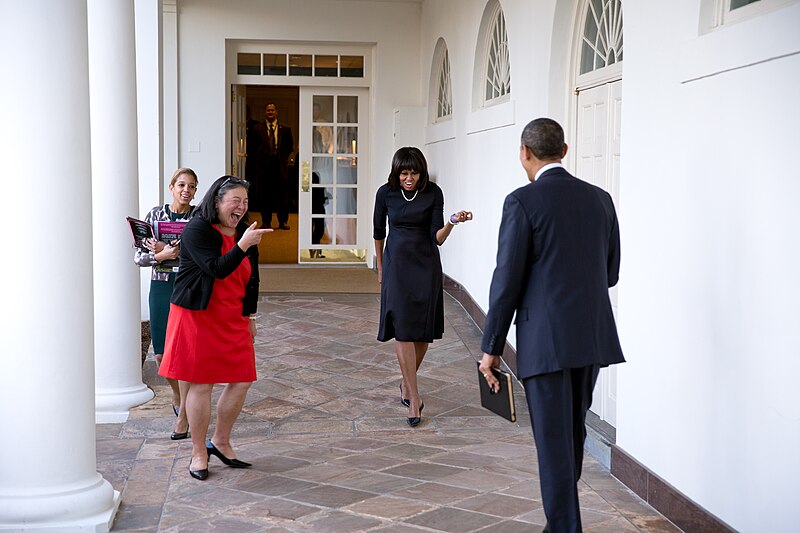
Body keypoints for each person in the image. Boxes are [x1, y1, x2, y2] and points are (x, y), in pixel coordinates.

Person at [479, 118, 625, 533]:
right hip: (592, 337)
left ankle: (563, 528)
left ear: (524, 153)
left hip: (546, 342)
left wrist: (490, 349)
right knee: (571, 436)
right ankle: (560, 523)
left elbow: (506, 282)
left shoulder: (521, 202)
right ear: (564, 150)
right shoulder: (601, 199)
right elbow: (610, 272)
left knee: (554, 442)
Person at [158, 176, 272, 480]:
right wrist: (244, 244)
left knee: (243, 378)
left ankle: (220, 441)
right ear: (217, 201)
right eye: (235, 200)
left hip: (232, 315)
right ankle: (198, 453)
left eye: (245, 201)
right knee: (201, 384)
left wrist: (251, 317)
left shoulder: (243, 230)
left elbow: (253, 279)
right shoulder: (197, 229)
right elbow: (216, 269)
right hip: (198, 315)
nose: (241, 206)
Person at [373, 147, 472, 426]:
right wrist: (381, 268)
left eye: (414, 172)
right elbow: (378, 233)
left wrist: (452, 222)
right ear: (396, 172)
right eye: (404, 172)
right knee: (402, 328)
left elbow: (437, 237)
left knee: (422, 334)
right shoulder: (385, 193)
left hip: (426, 265)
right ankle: (414, 398)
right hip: (396, 265)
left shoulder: (433, 193)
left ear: (421, 172)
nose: (409, 178)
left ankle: (406, 382)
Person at [134, 167, 198, 440]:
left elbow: (201, 254)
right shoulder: (154, 216)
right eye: (182, 184)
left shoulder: (199, 217)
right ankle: (176, 393)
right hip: (161, 286)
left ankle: (184, 412)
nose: (186, 190)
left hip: (188, 286)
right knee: (161, 355)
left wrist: (176, 250)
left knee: (184, 353)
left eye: (192, 186)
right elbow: (139, 257)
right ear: (171, 187)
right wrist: (164, 254)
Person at [253, 102, 294, 230]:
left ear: (276, 112)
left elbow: (290, 146)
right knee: (265, 195)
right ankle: (266, 221)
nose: (270, 112)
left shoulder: (285, 129)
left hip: (279, 165)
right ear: (265, 112)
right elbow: (252, 147)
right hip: (264, 166)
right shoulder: (258, 128)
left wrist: (282, 157)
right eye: (268, 110)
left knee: (282, 195)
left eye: (272, 110)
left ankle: (282, 222)